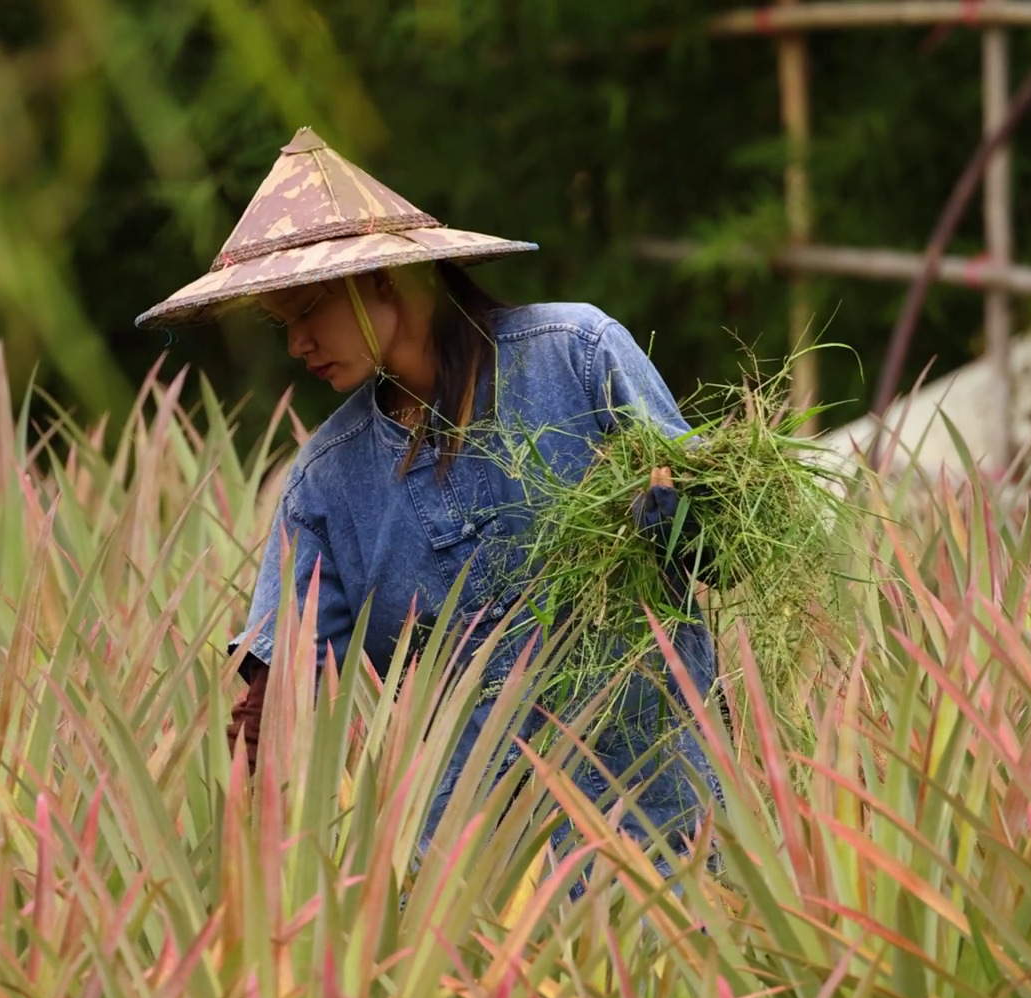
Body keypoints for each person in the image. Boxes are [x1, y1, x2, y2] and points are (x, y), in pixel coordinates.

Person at [136, 127, 724, 873]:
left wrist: (678, 519)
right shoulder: (325, 484)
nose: (297, 345)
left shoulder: (577, 356)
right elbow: (280, 686)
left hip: (665, 830)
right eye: (281, 324)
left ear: (385, 280)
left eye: (308, 309)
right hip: (477, 874)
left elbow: (717, 544)